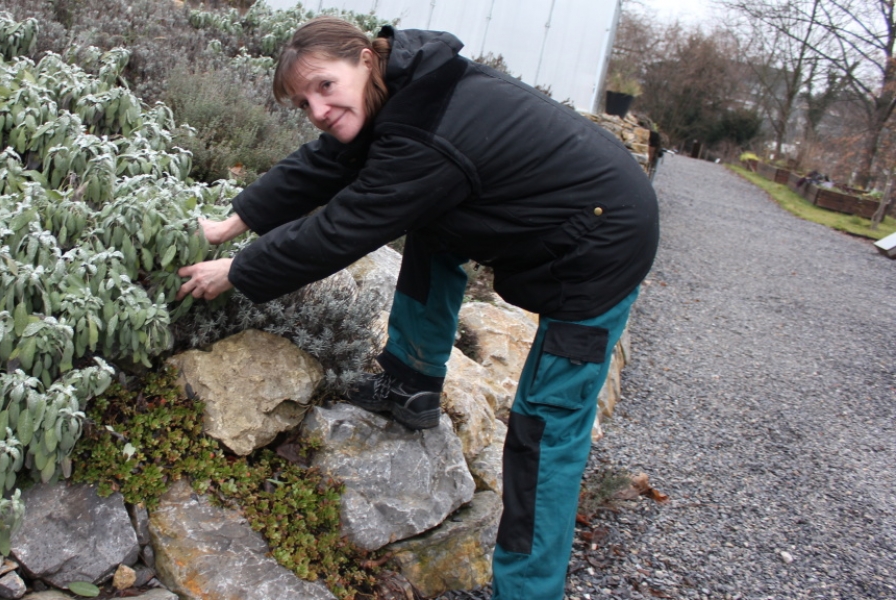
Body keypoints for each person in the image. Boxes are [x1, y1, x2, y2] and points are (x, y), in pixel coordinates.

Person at [177, 17, 658, 600]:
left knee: (545, 428)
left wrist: (237, 270)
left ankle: (529, 592)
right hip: (576, 214)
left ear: (362, 57)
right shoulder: (407, 87)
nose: (319, 110)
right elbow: (325, 163)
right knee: (431, 219)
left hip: (601, 245)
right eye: (304, 102)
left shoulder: (428, 130)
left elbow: (343, 226)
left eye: (324, 86)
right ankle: (412, 381)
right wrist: (233, 222)